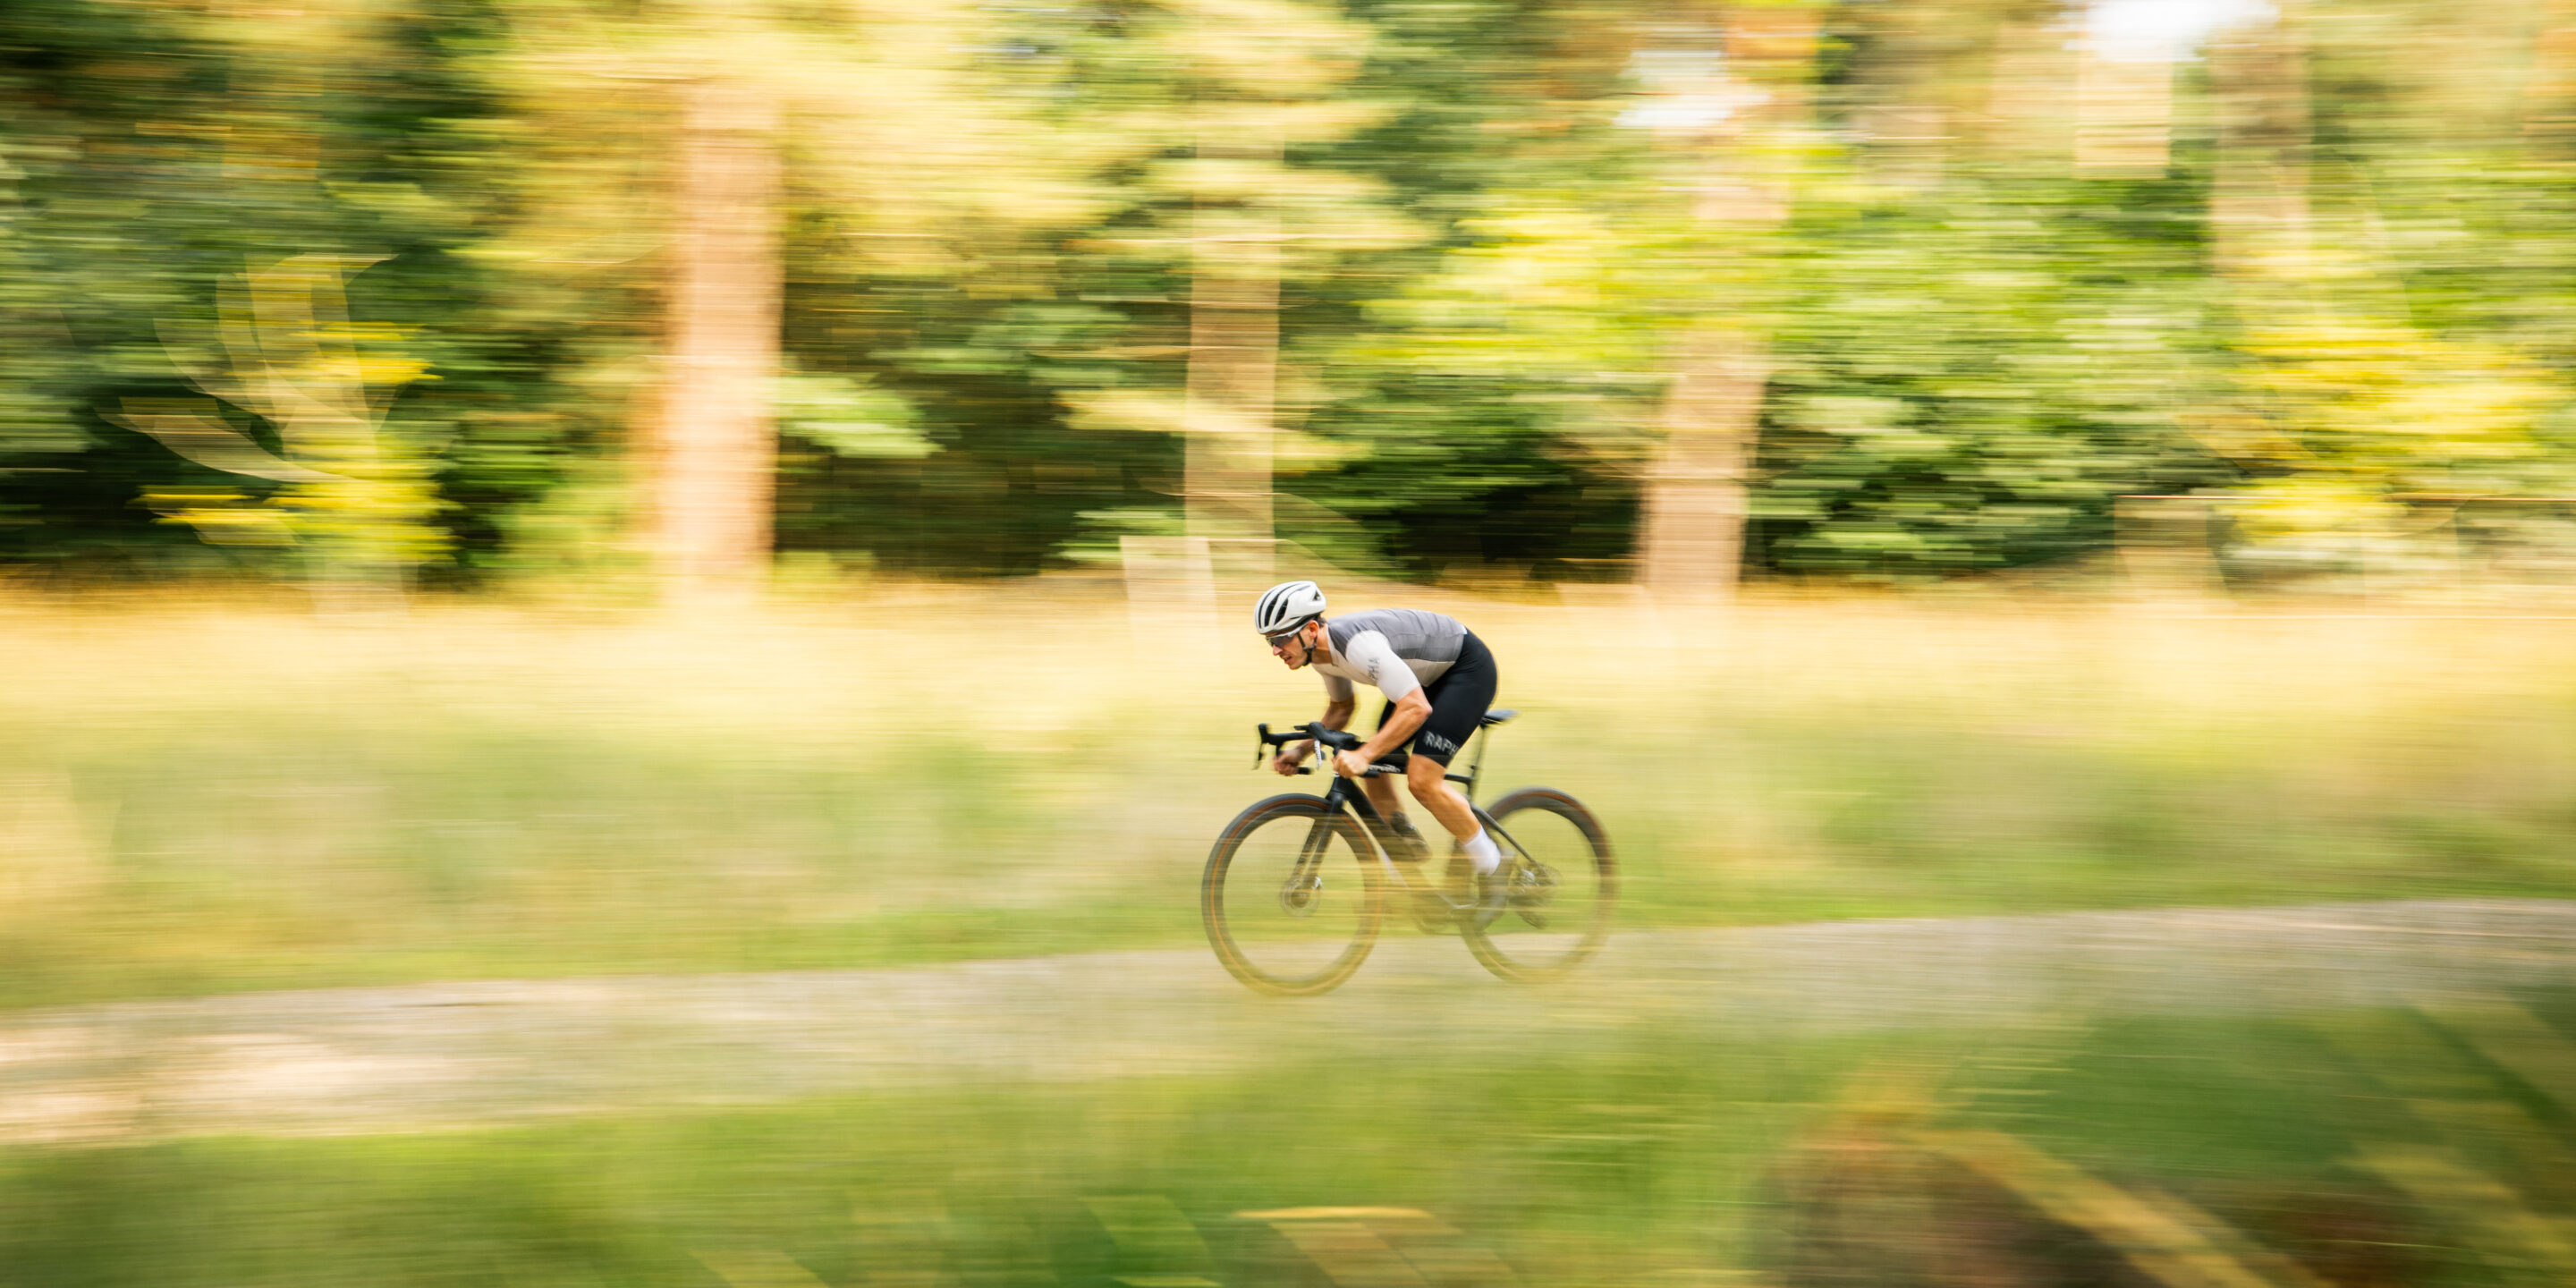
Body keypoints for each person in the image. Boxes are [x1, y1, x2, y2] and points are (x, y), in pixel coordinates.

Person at [1252, 580, 1507, 919]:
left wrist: (1364, 755)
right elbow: (1341, 709)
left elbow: (1416, 708)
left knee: (1421, 779)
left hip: (1464, 670)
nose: (1275, 649)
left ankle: (1493, 865)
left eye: (1281, 638)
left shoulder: (1358, 647)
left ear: (1311, 629)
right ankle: (1402, 866)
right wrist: (1299, 752)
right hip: (1424, 680)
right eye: (1270, 640)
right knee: (1372, 763)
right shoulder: (1319, 655)